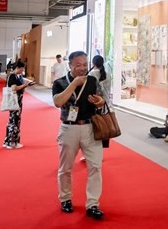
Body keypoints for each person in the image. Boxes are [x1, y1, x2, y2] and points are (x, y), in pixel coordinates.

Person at [52, 51, 106, 219]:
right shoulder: (60, 82)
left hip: (90, 127)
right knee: (66, 168)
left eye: (84, 64)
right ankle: (65, 198)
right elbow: (58, 102)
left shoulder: (93, 81)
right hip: (69, 128)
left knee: (95, 166)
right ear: (70, 65)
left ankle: (93, 204)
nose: (82, 68)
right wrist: (74, 84)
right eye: (78, 65)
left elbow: (102, 100)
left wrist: (99, 101)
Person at [3, 61, 33, 149]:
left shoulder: (17, 76)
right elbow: (14, 88)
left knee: (13, 120)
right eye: (22, 68)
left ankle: (8, 141)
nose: (23, 70)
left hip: (17, 100)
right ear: (18, 68)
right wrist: (24, 85)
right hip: (15, 100)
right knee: (14, 121)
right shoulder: (13, 76)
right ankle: (12, 142)